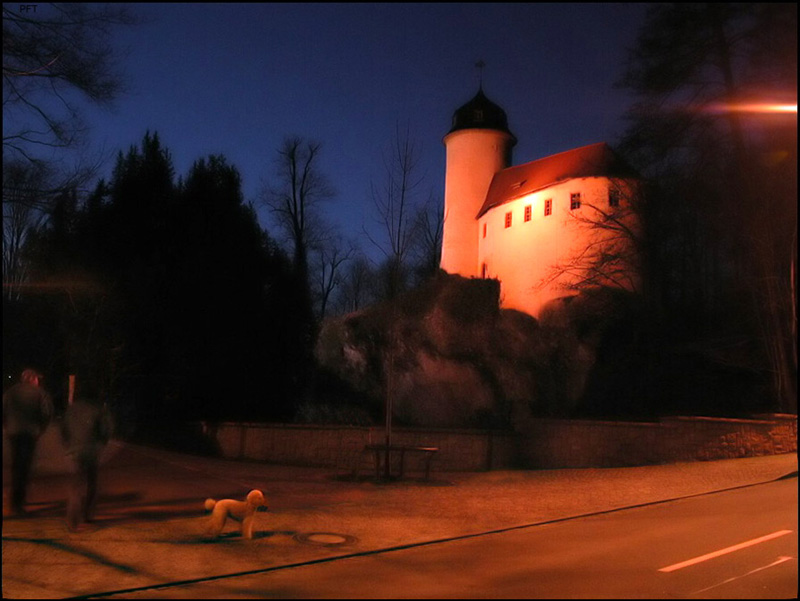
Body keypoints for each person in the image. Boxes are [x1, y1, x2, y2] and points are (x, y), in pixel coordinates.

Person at [60, 376, 113, 532]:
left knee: (75, 487)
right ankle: (88, 516)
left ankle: (72, 520)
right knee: (92, 485)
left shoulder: (72, 409)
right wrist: (101, 444)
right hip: (91, 451)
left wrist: (68, 444)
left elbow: (64, 429)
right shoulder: (98, 409)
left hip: (75, 452)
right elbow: (105, 430)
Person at [3, 368, 54, 516]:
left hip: (14, 434)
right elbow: (47, 413)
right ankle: (18, 505)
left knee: (16, 467)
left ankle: (15, 501)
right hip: (29, 434)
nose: (38, 381)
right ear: (32, 379)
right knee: (24, 468)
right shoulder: (40, 393)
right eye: (37, 379)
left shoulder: (10, 392)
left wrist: (7, 427)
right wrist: (41, 429)